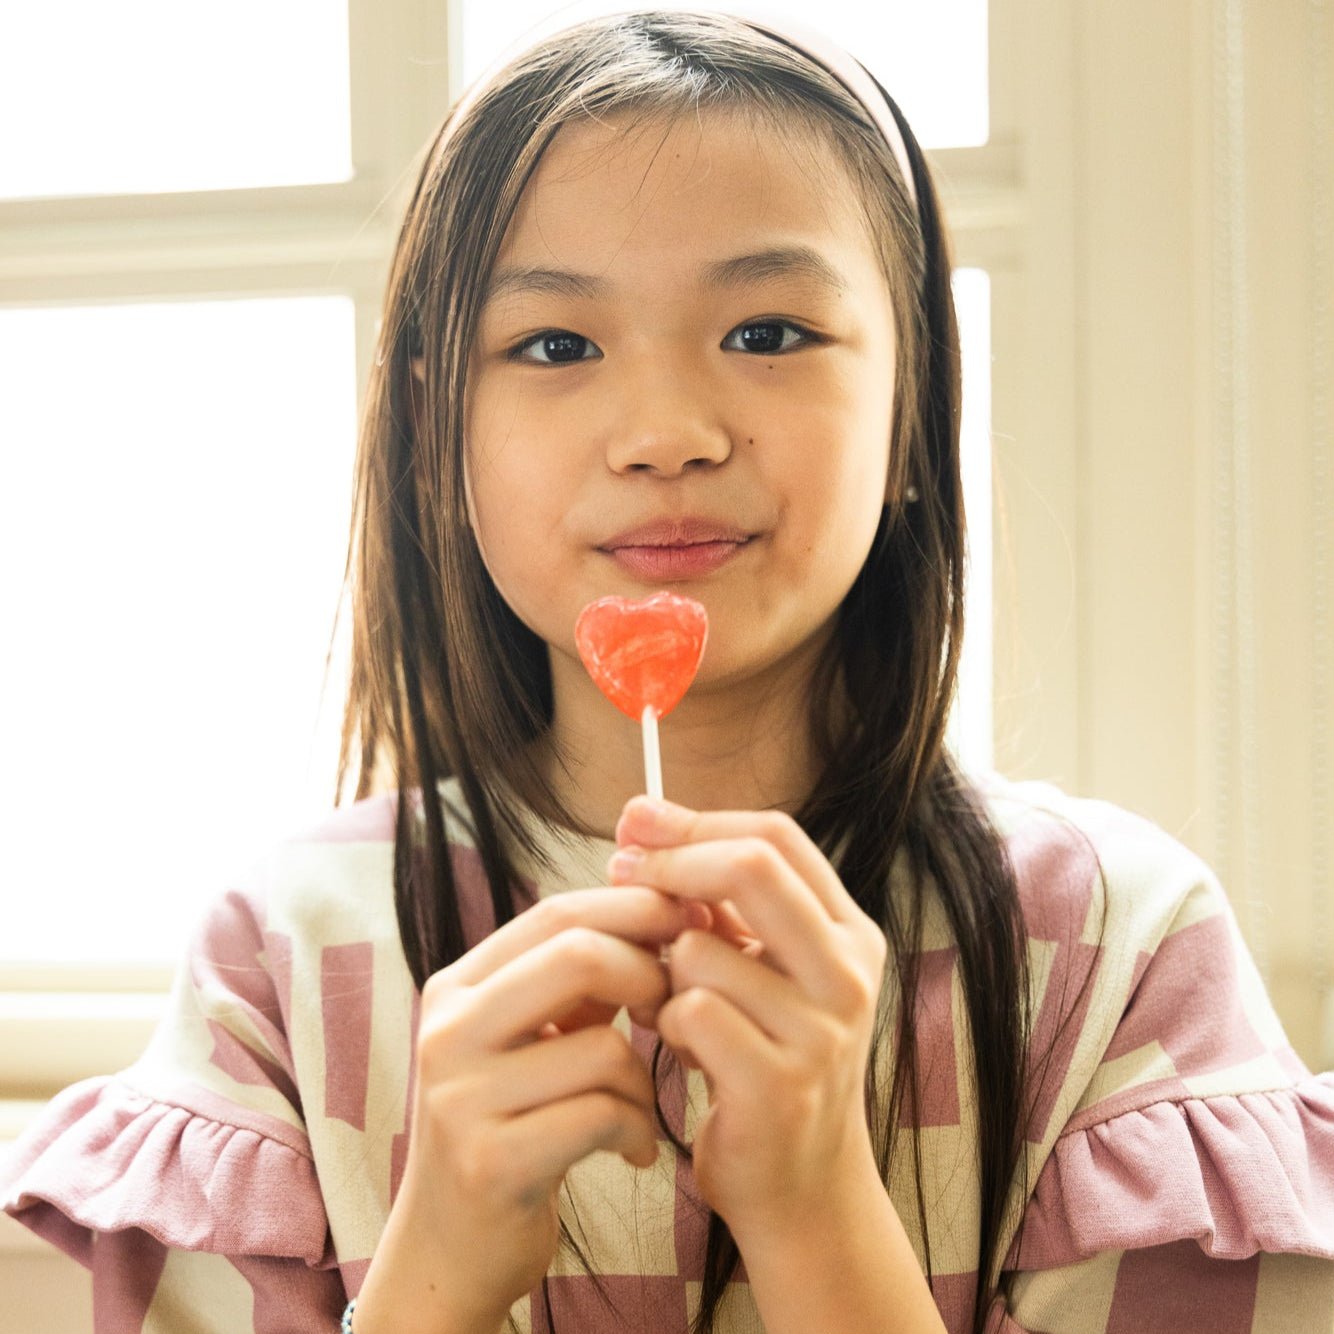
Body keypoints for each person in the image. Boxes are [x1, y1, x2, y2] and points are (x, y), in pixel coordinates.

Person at [4, 7, 1333, 1332]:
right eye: (553, 346)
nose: (663, 433)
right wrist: (433, 1279)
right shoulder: (280, 963)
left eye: (766, 333)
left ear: (912, 409)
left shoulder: (1117, 947)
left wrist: (816, 1207)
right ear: (429, 438)